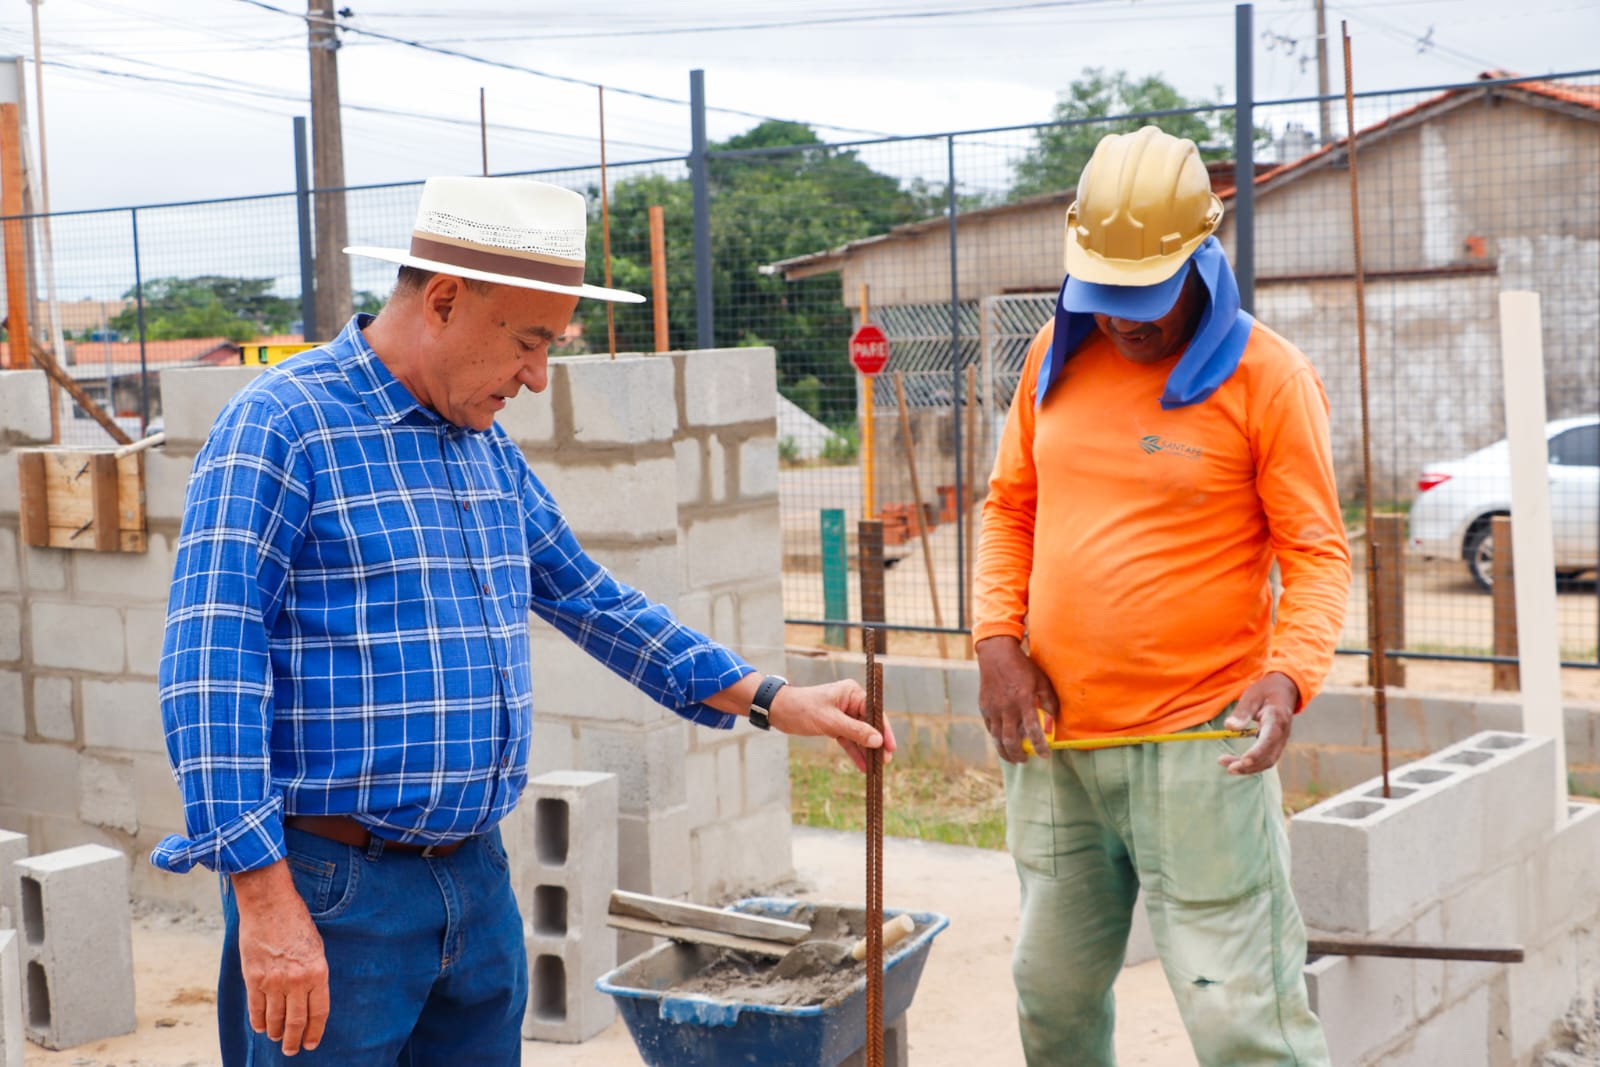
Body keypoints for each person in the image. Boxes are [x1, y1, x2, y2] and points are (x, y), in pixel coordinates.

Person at [154, 176, 894, 1065]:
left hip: (474, 882)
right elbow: (210, 663)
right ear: (444, 300)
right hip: (331, 894)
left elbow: (592, 599)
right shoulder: (282, 427)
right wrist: (265, 900)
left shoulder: (482, 446)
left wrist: (774, 698)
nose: (538, 377)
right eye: (531, 341)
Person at [973, 126, 1351, 1066]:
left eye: (1148, 295)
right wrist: (995, 640)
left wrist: (1289, 674)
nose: (1126, 321)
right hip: (1055, 744)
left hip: (1198, 750)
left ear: (1203, 254)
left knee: (1241, 1022)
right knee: (1050, 999)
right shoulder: (1050, 365)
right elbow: (1008, 507)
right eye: (1105, 295)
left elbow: (1316, 553)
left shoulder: (1270, 378)